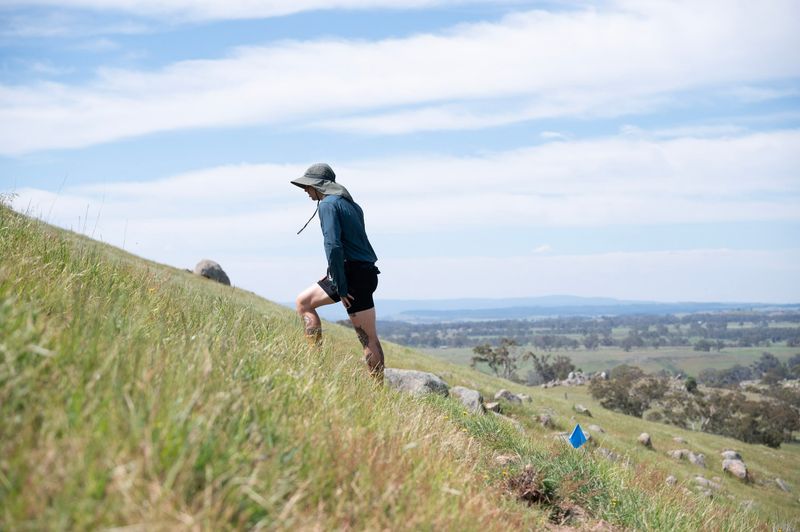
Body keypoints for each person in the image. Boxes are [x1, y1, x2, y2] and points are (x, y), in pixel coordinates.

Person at [291, 163, 384, 379]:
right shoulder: (353, 206)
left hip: (350, 276)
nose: (305, 190)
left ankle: (317, 366)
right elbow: (352, 243)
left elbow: (333, 245)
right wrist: (333, 274)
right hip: (364, 272)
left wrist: (341, 286)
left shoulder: (327, 205)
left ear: (319, 186)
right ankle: (378, 390)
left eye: (307, 186)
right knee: (304, 302)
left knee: (366, 338)